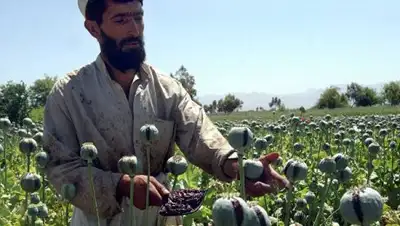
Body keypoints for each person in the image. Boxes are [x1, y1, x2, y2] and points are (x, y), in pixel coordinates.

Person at [42, 0, 289, 225]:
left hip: (163, 216)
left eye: (138, 17)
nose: (134, 30)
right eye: (120, 20)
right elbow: (60, 168)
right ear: (93, 29)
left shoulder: (166, 88)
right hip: (99, 217)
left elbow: (198, 133)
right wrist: (121, 185)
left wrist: (236, 166)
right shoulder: (69, 93)